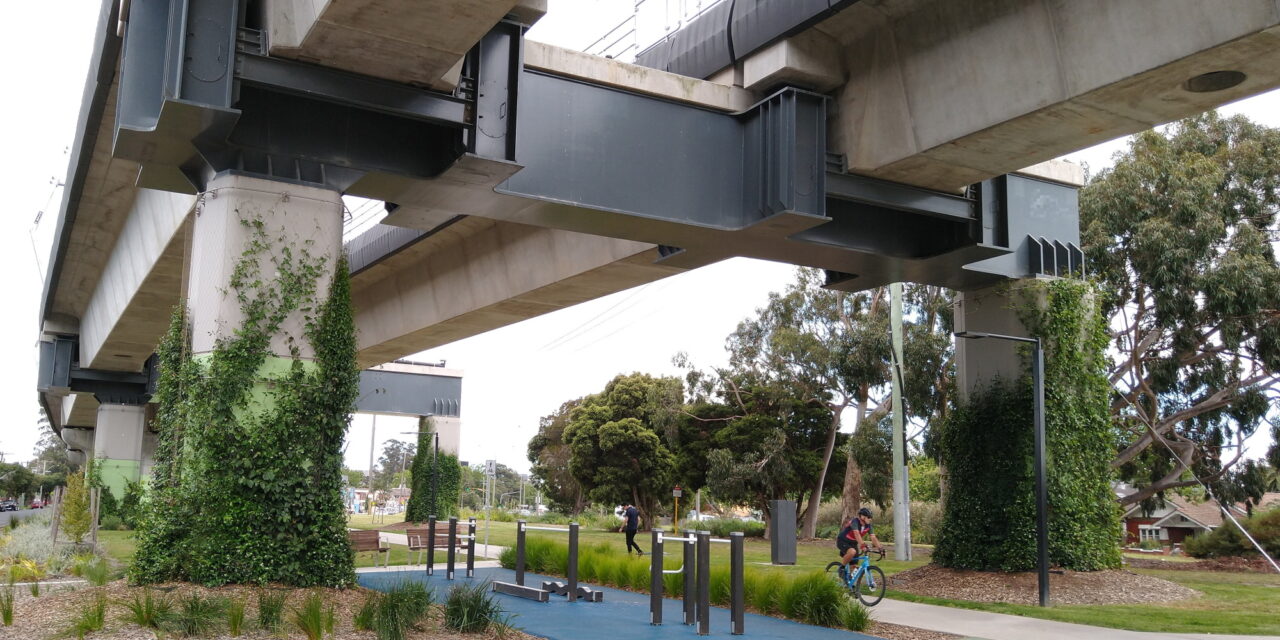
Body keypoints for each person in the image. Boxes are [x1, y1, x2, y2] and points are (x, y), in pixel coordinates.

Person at [837, 507, 883, 576]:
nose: (870, 519)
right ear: (862, 517)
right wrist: (863, 545)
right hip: (843, 541)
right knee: (852, 552)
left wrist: (880, 548)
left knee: (854, 566)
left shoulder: (868, 526)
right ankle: (841, 568)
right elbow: (857, 534)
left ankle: (849, 583)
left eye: (871, 517)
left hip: (853, 543)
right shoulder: (855, 522)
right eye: (869, 517)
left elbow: (873, 537)